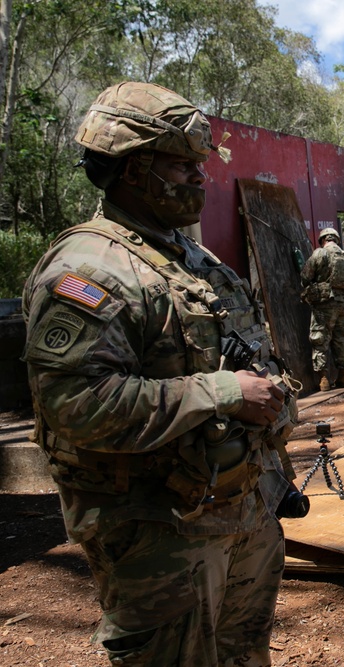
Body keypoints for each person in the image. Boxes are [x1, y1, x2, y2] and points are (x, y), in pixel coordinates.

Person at [21, 81, 299, 666]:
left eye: (199, 165)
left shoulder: (192, 260)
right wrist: (224, 393)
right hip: (158, 529)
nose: (200, 179)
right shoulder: (89, 271)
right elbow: (77, 406)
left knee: (243, 654)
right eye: (181, 166)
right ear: (131, 170)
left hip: (239, 510)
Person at [301, 226, 344, 391]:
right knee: (341, 339)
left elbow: (305, 276)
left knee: (320, 339)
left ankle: (324, 380)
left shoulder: (320, 253)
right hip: (343, 304)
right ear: (336, 239)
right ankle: (343, 375)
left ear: (323, 239)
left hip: (324, 304)